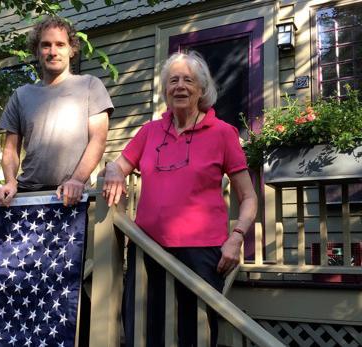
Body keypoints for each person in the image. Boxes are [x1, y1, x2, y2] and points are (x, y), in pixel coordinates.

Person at [101, 51, 257, 347]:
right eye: (173, 81)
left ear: (202, 90)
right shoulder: (149, 132)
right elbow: (118, 165)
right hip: (147, 250)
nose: (180, 87)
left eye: (188, 80)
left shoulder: (223, 133)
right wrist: (112, 170)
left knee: (194, 334)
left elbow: (248, 197)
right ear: (165, 91)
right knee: (144, 331)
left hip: (201, 254)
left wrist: (236, 237)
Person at [0, 16, 114, 207]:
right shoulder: (21, 95)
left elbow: (98, 141)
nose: (53, 51)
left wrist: (77, 180)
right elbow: (10, 149)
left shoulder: (90, 86)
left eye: (60, 44)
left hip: (72, 195)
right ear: (37, 50)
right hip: (27, 197)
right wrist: (10, 181)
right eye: (46, 45)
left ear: (72, 49)